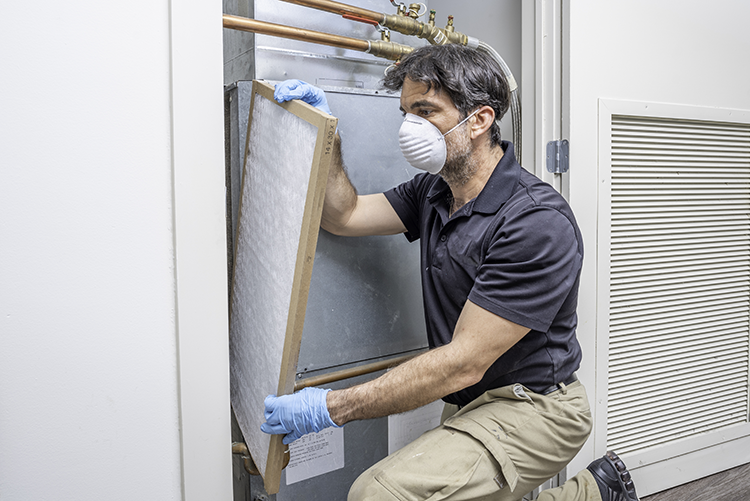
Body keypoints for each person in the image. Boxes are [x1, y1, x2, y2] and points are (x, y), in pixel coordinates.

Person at [261, 44, 639, 501]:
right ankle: (599, 491)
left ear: (479, 120)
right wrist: (327, 138)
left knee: (378, 494)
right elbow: (346, 215)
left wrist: (329, 407)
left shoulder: (535, 221)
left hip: (537, 406)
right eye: (405, 112)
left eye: (425, 110)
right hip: (471, 399)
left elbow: (464, 361)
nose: (409, 128)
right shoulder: (434, 190)